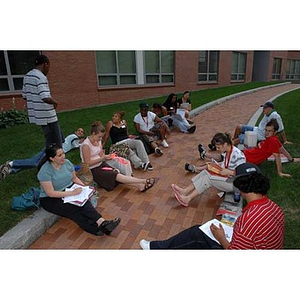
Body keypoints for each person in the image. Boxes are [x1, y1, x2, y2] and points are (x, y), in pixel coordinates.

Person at [140, 162, 285, 249]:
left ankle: (156, 248)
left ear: (240, 187)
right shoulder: (274, 207)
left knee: (197, 233)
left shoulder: (249, 218)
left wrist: (221, 237)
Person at [37, 144, 121, 236]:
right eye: (60, 155)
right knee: (73, 209)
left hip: (69, 189)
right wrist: (72, 193)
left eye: (63, 153)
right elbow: (50, 193)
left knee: (84, 202)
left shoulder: (67, 163)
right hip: (51, 199)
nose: (63, 156)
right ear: (52, 158)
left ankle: (102, 222)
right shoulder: (45, 171)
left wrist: (85, 187)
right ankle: (96, 229)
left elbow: (74, 178)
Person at [186, 119, 300, 178]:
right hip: (246, 153)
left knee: (220, 160)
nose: (266, 133)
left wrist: (280, 172)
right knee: (223, 156)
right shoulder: (273, 140)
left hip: (245, 159)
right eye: (266, 130)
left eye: (269, 131)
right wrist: (291, 159)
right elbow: (283, 149)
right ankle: (205, 155)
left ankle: (197, 168)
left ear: (275, 132)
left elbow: (278, 157)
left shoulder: (273, 141)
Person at [172, 132, 246, 207]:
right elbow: (226, 165)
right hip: (228, 178)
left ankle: (187, 199)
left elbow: (243, 174)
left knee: (208, 179)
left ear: (225, 144)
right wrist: (214, 166)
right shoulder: (227, 151)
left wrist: (230, 172)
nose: (217, 149)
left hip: (235, 184)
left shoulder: (238, 155)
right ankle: (185, 191)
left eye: (218, 147)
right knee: (206, 171)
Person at [80, 121, 155, 192]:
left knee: (118, 173)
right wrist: (102, 158)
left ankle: (139, 186)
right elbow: (87, 163)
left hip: (101, 164)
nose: (100, 139)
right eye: (99, 137)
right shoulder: (86, 145)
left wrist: (107, 156)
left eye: (101, 137)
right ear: (93, 133)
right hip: (92, 170)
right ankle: (143, 181)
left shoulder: (98, 141)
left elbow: (101, 155)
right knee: (116, 175)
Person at [0, 128, 85, 180]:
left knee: (33, 162)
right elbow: (76, 146)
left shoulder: (74, 138)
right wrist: (83, 142)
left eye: (82, 132)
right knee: (35, 163)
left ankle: (10, 170)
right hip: (52, 151)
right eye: (79, 131)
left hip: (53, 150)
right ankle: (11, 163)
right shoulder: (73, 137)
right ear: (75, 131)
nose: (80, 132)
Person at [22, 54, 64, 148]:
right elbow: (45, 97)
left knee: (50, 138)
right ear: (45, 64)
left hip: (38, 115)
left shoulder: (27, 76)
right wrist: (55, 102)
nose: (48, 69)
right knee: (57, 143)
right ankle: (51, 159)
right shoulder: (40, 77)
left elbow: (25, 96)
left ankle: (50, 158)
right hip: (47, 116)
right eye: (48, 66)